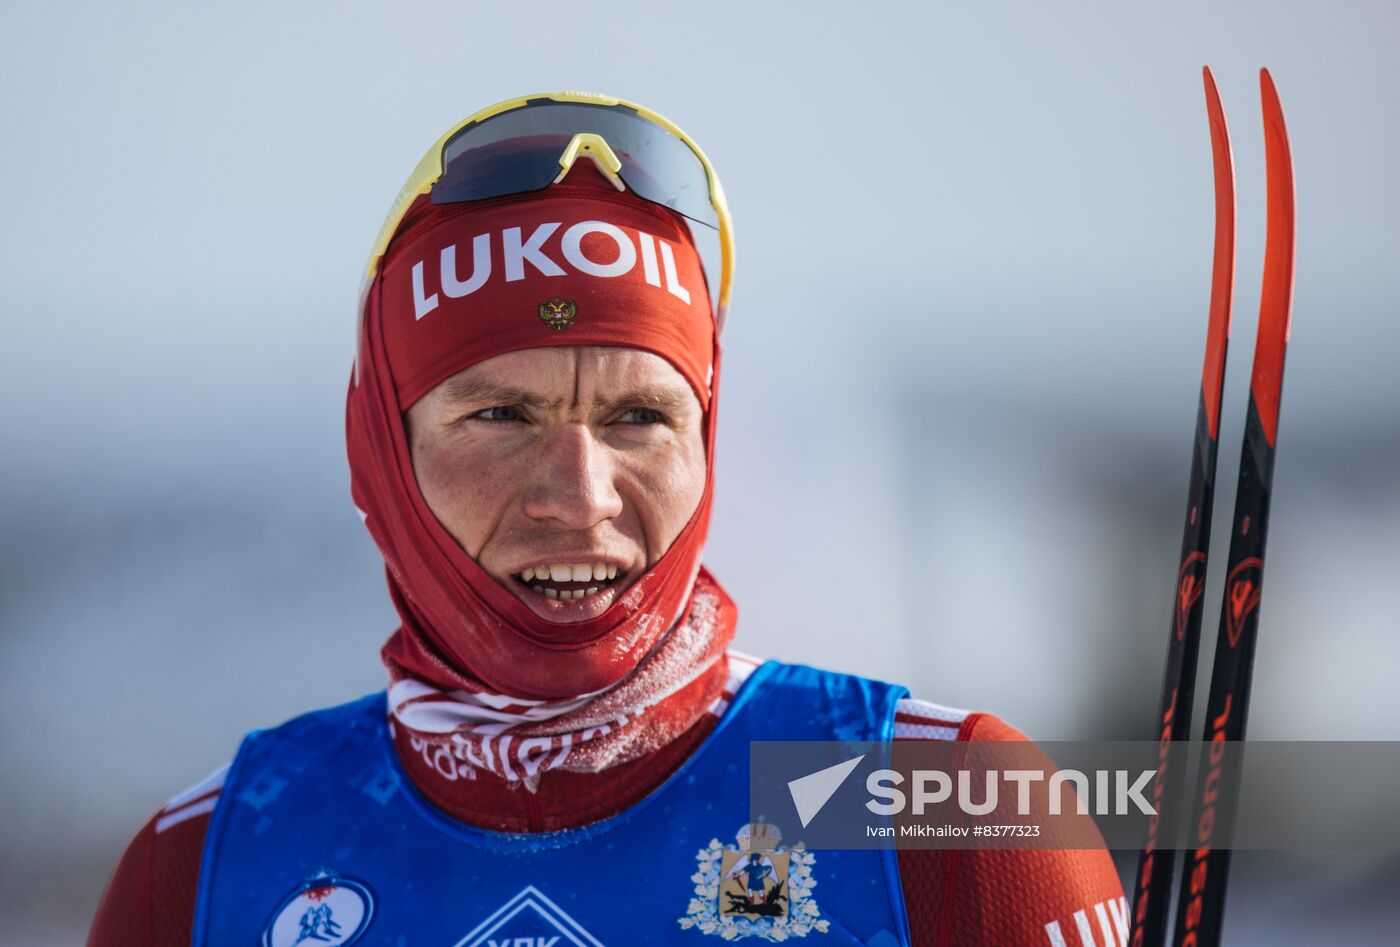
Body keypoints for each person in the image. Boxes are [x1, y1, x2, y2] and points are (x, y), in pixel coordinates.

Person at [88, 92, 1126, 946]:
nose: (579, 495)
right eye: (499, 415)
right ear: (384, 451)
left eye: (639, 416)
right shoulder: (205, 867)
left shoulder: (945, 804)